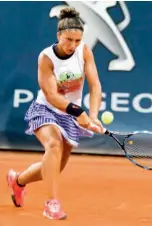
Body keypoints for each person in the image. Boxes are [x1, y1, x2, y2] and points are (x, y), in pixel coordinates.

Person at [7, 7, 105, 220]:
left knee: (54, 167)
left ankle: (18, 180)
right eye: (68, 39)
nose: (73, 45)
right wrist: (79, 112)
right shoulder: (46, 57)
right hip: (46, 109)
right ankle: (51, 204)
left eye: (77, 41)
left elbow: (95, 85)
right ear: (58, 35)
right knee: (53, 145)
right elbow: (51, 95)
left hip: (69, 116)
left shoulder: (84, 51)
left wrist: (94, 115)